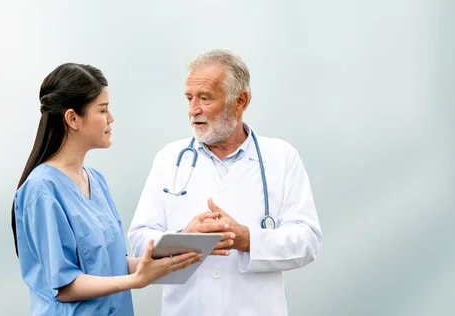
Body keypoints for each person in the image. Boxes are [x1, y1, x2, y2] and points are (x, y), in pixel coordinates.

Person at [128, 49, 323, 316]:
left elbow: (307, 240)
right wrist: (185, 238)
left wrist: (247, 239)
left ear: (240, 101)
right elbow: (139, 240)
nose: (192, 110)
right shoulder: (168, 159)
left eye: (205, 98)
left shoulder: (282, 158)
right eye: (189, 98)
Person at [11, 63, 202, 316]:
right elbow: (65, 285)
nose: (111, 118)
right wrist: (137, 280)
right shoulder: (41, 191)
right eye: (103, 110)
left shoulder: (97, 181)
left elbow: (112, 265)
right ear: (72, 118)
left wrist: (180, 250)